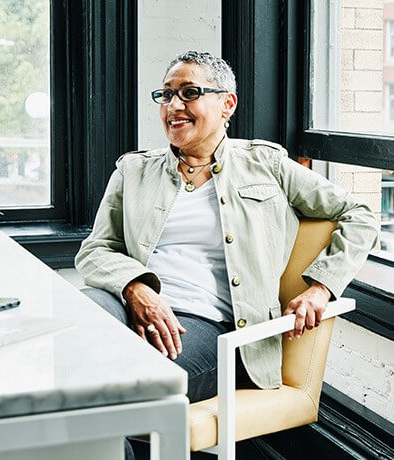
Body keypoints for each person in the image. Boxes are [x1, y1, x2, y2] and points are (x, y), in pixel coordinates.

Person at [75, 51, 378, 458]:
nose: (173, 106)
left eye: (190, 93)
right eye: (165, 95)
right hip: (127, 302)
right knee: (65, 353)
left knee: (116, 391)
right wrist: (135, 288)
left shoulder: (265, 164)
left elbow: (359, 214)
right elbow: (96, 249)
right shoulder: (134, 171)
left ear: (227, 104)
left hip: (210, 327)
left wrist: (321, 287)